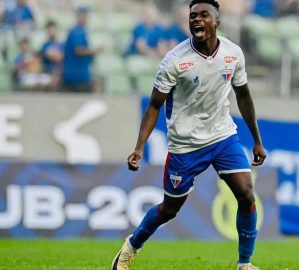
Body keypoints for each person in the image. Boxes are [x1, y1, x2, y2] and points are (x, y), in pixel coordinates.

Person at [111, 0, 267, 270]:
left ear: (216, 22)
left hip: (222, 136)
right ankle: (131, 246)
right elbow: (154, 106)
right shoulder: (175, 60)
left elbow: (243, 96)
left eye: (203, 15)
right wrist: (139, 147)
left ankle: (245, 264)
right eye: (192, 15)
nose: (196, 19)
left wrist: (257, 140)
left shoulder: (233, 53)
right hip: (185, 145)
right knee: (169, 210)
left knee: (246, 194)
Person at [62, 6, 102, 93]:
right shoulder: (77, 31)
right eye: (85, 16)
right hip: (76, 76)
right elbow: (78, 50)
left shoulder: (81, 31)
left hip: (80, 74)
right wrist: (94, 50)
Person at [39, 20, 63, 88]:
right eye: (50, 29)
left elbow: (62, 57)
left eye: (53, 29)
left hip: (61, 71)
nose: (52, 31)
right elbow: (55, 57)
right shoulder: (45, 45)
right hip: (49, 71)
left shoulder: (61, 44)